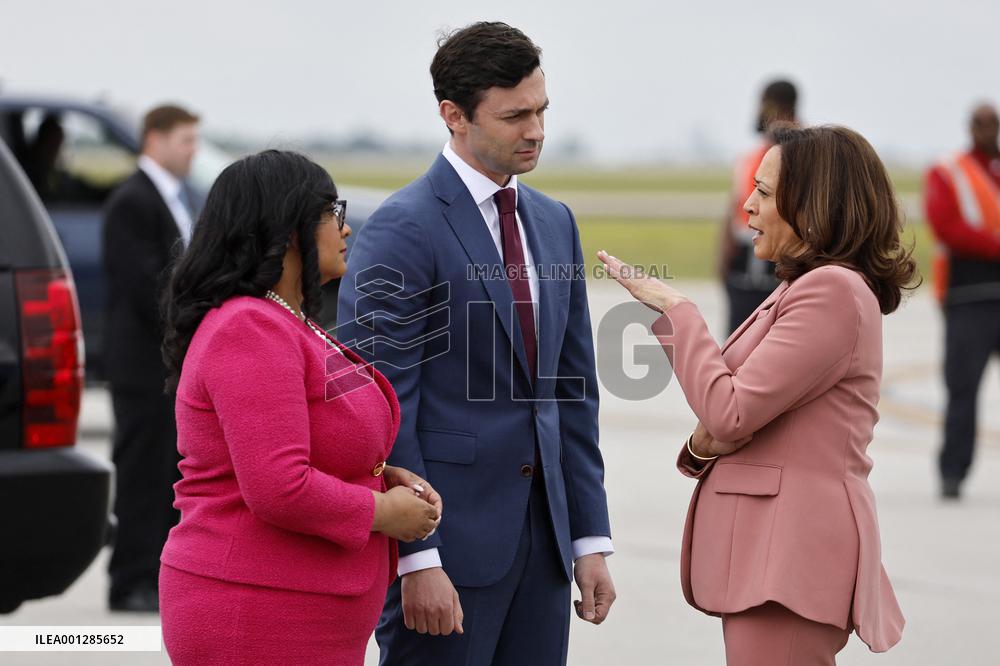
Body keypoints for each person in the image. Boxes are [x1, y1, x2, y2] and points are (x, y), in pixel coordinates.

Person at [336, 21, 615, 666]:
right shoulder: (402, 229)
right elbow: (380, 407)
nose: (537, 130)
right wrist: (418, 558)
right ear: (453, 115)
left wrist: (588, 537)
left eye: (542, 110)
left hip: (544, 549)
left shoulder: (554, 221)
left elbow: (572, 392)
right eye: (515, 115)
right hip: (447, 549)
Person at [599, 125, 912, 664]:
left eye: (764, 193)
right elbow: (736, 413)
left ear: (815, 205)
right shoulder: (805, 285)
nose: (747, 205)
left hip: (787, 560)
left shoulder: (831, 291)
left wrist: (678, 311)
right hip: (769, 558)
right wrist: (703, 445)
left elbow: (731, 409)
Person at [158, 150, 442, 665]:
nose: (346, 229)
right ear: (290, 229)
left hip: (303, 607)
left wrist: (382, 477)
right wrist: (382, 512)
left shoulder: (290, 322)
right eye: (333, 212)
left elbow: (314, 445)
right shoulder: (249, 327)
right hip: (255, 608)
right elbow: (278, 485)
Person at [102, 104, 200, 611]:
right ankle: (128, 580)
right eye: (185, 140)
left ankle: (155, 576)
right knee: (141, 472)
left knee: (167, 471)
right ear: (154, 140)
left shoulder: (172, 197)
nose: (192, 150)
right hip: (141, 366)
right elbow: (144, 286)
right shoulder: (132, 201)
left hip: (167, 364)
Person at [925, 102, 1000, 500]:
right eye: (980, 123)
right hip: (969, 297)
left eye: (992, 123)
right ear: (968, 126)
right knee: (962, 390)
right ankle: (953, 472)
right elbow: (947, 226)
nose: (987, 130)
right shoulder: (948, 171)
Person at [718, 80, 798, 334]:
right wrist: (725, 259)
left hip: (775, 263)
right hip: (744, 263)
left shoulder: (798, 157)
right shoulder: (751, 157)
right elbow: (734, 209)